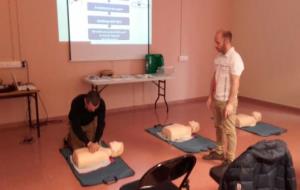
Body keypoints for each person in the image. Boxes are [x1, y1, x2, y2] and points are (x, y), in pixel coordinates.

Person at [203, 29, 244, 165]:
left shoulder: (235, 59)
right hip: (217, 99)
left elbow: (235, 82)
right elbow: (214, 78)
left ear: (226, 41)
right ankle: (219, 152)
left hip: (227, 101)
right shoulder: (219, 57)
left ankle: (230, 158)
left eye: (217, 42)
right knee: (218, 126)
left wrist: (231, 103)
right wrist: (210, 96)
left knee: (229, 130)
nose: (215, 45)